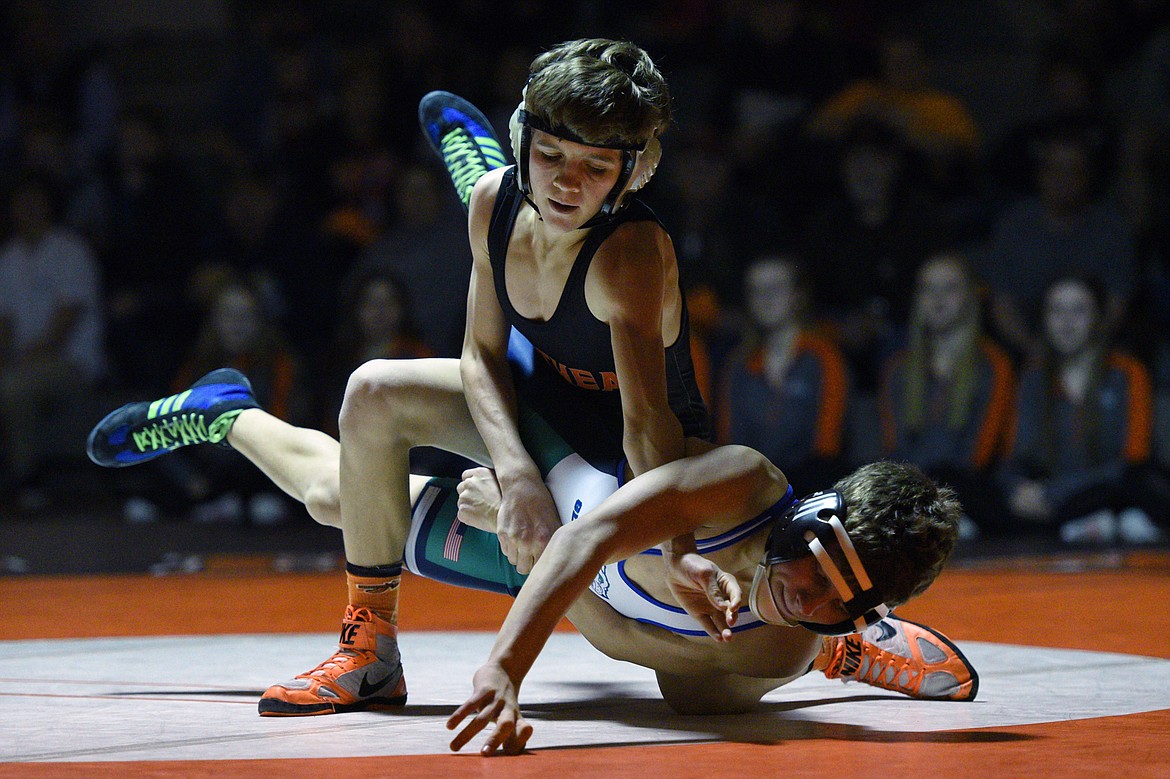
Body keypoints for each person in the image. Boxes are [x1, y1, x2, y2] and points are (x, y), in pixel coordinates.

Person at [87, 365, 976, 743]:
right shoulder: (742, 486)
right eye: (811, 564)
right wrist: (508, 649)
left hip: (542, 558)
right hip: (564, 454)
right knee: (376, 394)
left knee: (335, 499)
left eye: (827, 603)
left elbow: (623, 642)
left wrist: (529, 551)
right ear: (811, 514)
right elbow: (593, 538)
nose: (795, 591)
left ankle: (225, 412)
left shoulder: (772, 642)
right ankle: (369, 643)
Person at [999, 274, 1167, 544]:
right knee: (982, 495)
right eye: (1056, 310)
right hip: (1051, 500)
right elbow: (1014, 456)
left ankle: (1097, 518)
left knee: (1138, 484)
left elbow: (1134, 458)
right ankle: (1093, 520)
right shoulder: (1033, 378)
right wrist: (1017, 491)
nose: (1066, 321)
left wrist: (1055, 492)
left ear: (1099, 317)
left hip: (1105, 489)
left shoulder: (1127, 373)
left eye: (1078, 310)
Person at [878, 252, 1015, 536]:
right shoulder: (898, 369)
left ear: (971, 294)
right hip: (911, 495)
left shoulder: (993, 364)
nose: (938, 298)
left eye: (950, 288)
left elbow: (982, 453)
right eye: (929, 289)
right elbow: (894, 446)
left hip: (970, 490)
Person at [0, 171, 104, 510]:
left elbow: (65, 325)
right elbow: (5, 323)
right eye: (21, 200)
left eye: (35, 199)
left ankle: (26, 481)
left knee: (13, 387)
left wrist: (18, 360)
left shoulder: (70, 250)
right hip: (22, 362)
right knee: (11, 381)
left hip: (71, 364)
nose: (28, 207)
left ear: (49, 204)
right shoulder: (10, 256)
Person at [717, 254, 849, 492]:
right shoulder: (739, 365)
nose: (765, 298)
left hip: (813, 487)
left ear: (798, 295)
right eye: (756, 290)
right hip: (753, 491)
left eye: (776, 288)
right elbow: (732, 444)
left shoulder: (823, 357)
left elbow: (828, 444)